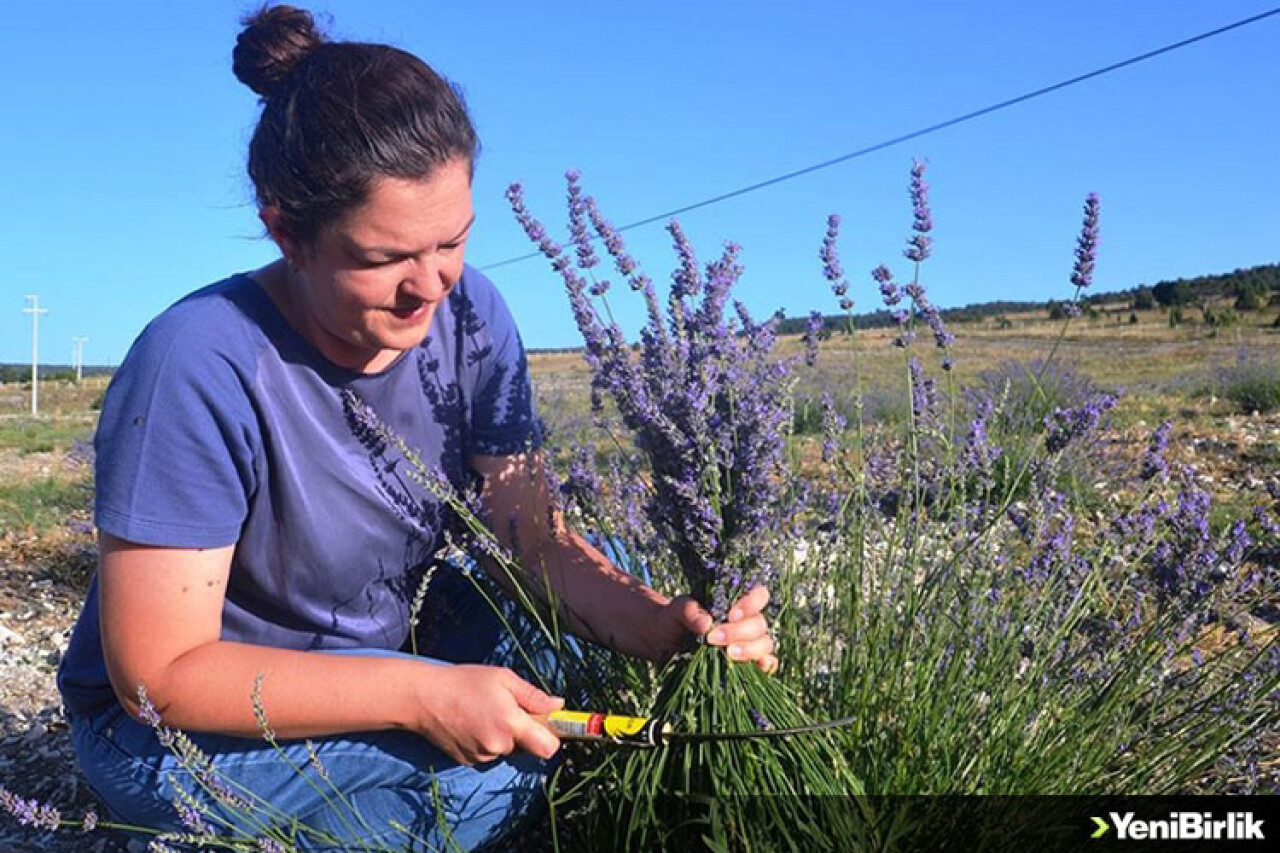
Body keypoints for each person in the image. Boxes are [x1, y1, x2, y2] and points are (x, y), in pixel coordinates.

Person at [56, 5, 777, 850]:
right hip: (177, 733)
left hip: (383, 664)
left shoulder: (470, 316)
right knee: (490, 777)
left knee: (616, 582)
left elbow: (532, 545)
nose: (428, 286)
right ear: (285, 226)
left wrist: (667, 626)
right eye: (384, 257)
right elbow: (162, 678)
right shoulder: (198, 361)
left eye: (453, 242)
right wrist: (422, 694)